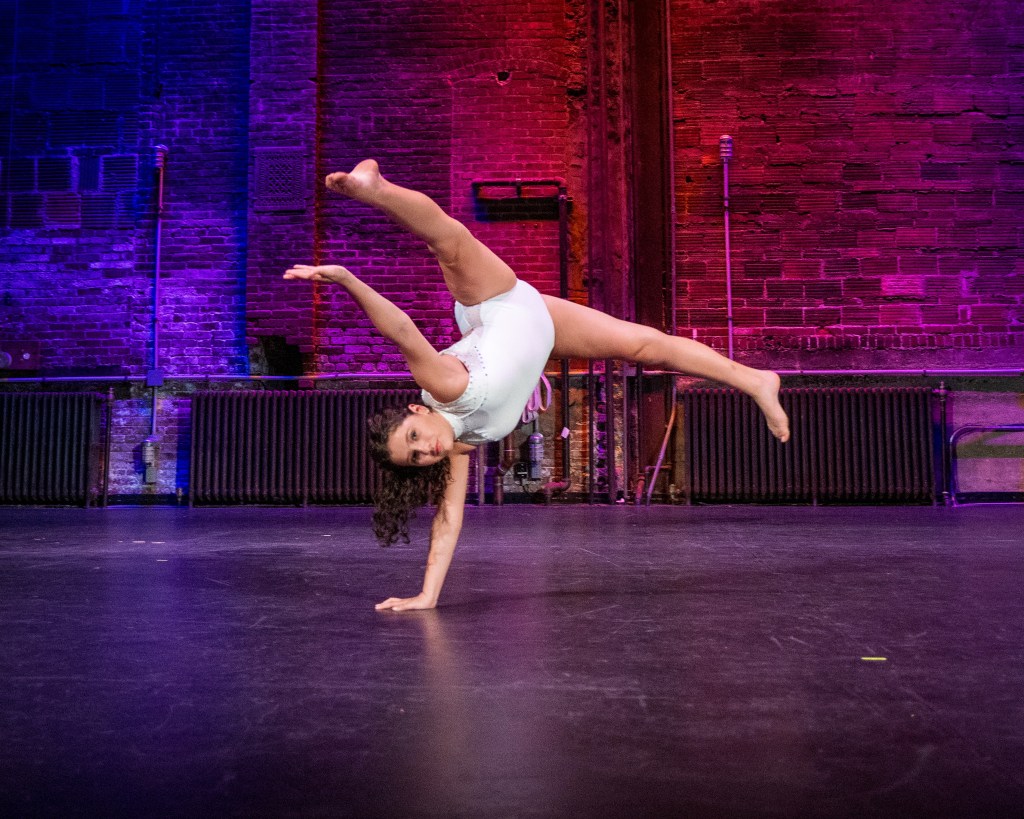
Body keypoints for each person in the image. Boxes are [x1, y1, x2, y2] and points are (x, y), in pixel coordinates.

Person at [285, 160, 790, 612]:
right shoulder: (459, 441)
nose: (427, 449)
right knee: (646, 346)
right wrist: (427, 595)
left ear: (416, 414)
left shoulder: (440, 387)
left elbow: (400, 329)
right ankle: (756, 379)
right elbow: (448, 519)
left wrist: (346, 278)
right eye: (418, 459)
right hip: (539, 325)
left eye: (414, 440)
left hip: (497, 304)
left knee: (450, 243)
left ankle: (376, 189)